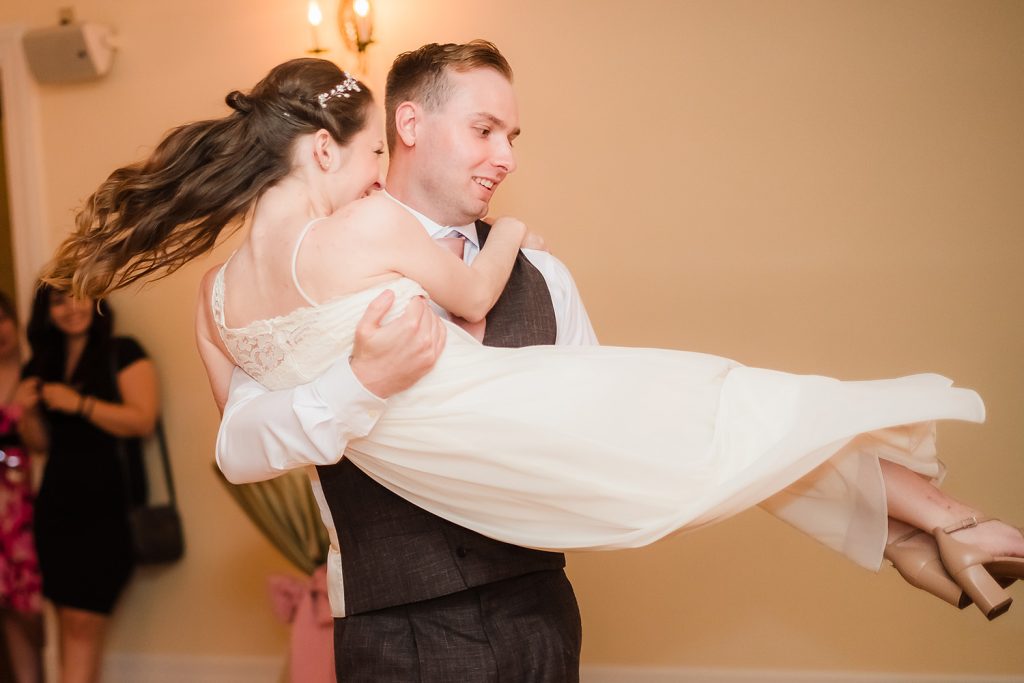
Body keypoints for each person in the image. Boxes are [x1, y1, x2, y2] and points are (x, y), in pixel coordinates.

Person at [42, 45, 1024, 679]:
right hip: (402, 627)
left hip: (538, 612)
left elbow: (606, 416)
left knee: (705, 423)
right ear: (404, 127)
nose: (505, 153)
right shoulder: (331, 252)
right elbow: (243, 446)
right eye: (486, 128)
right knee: (716, 414)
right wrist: (359, 382)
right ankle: (932, 526)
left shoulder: (538, 273)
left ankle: (914, 526)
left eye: (513, 135)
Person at [19, 285, 159, 683]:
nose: (70, 308)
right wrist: (27, 414)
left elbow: (143, 420)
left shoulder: (123, 351)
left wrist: (79, 404)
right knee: (70, 625)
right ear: (46, 312)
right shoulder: (41, 365)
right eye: (58, 301)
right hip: (56, 508)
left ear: (96, 300)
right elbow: (41, 445)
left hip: (109, 507)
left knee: (82, 623)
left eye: (77, 295)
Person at [0, 292, 44, 683]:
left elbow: (43, 444)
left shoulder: (37, 371)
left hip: (30, 500)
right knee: (8, 604)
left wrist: (23, 412)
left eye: (2, 320)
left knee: (33, 602)